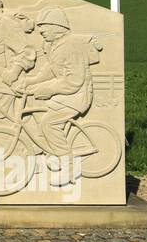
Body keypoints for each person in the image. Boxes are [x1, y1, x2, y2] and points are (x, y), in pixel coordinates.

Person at [16, 8, 94, 157]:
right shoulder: (55, 45)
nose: (40, 30)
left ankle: (67, 164)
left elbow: (74, 81)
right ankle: (43, 144)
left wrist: (48, 89)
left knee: (48, 124)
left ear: (57, 27)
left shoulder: (71, 47)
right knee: (33, 104)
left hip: (76, 96)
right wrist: (30, 81)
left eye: (44, 26)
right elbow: (51, 69)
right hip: (68, 94)